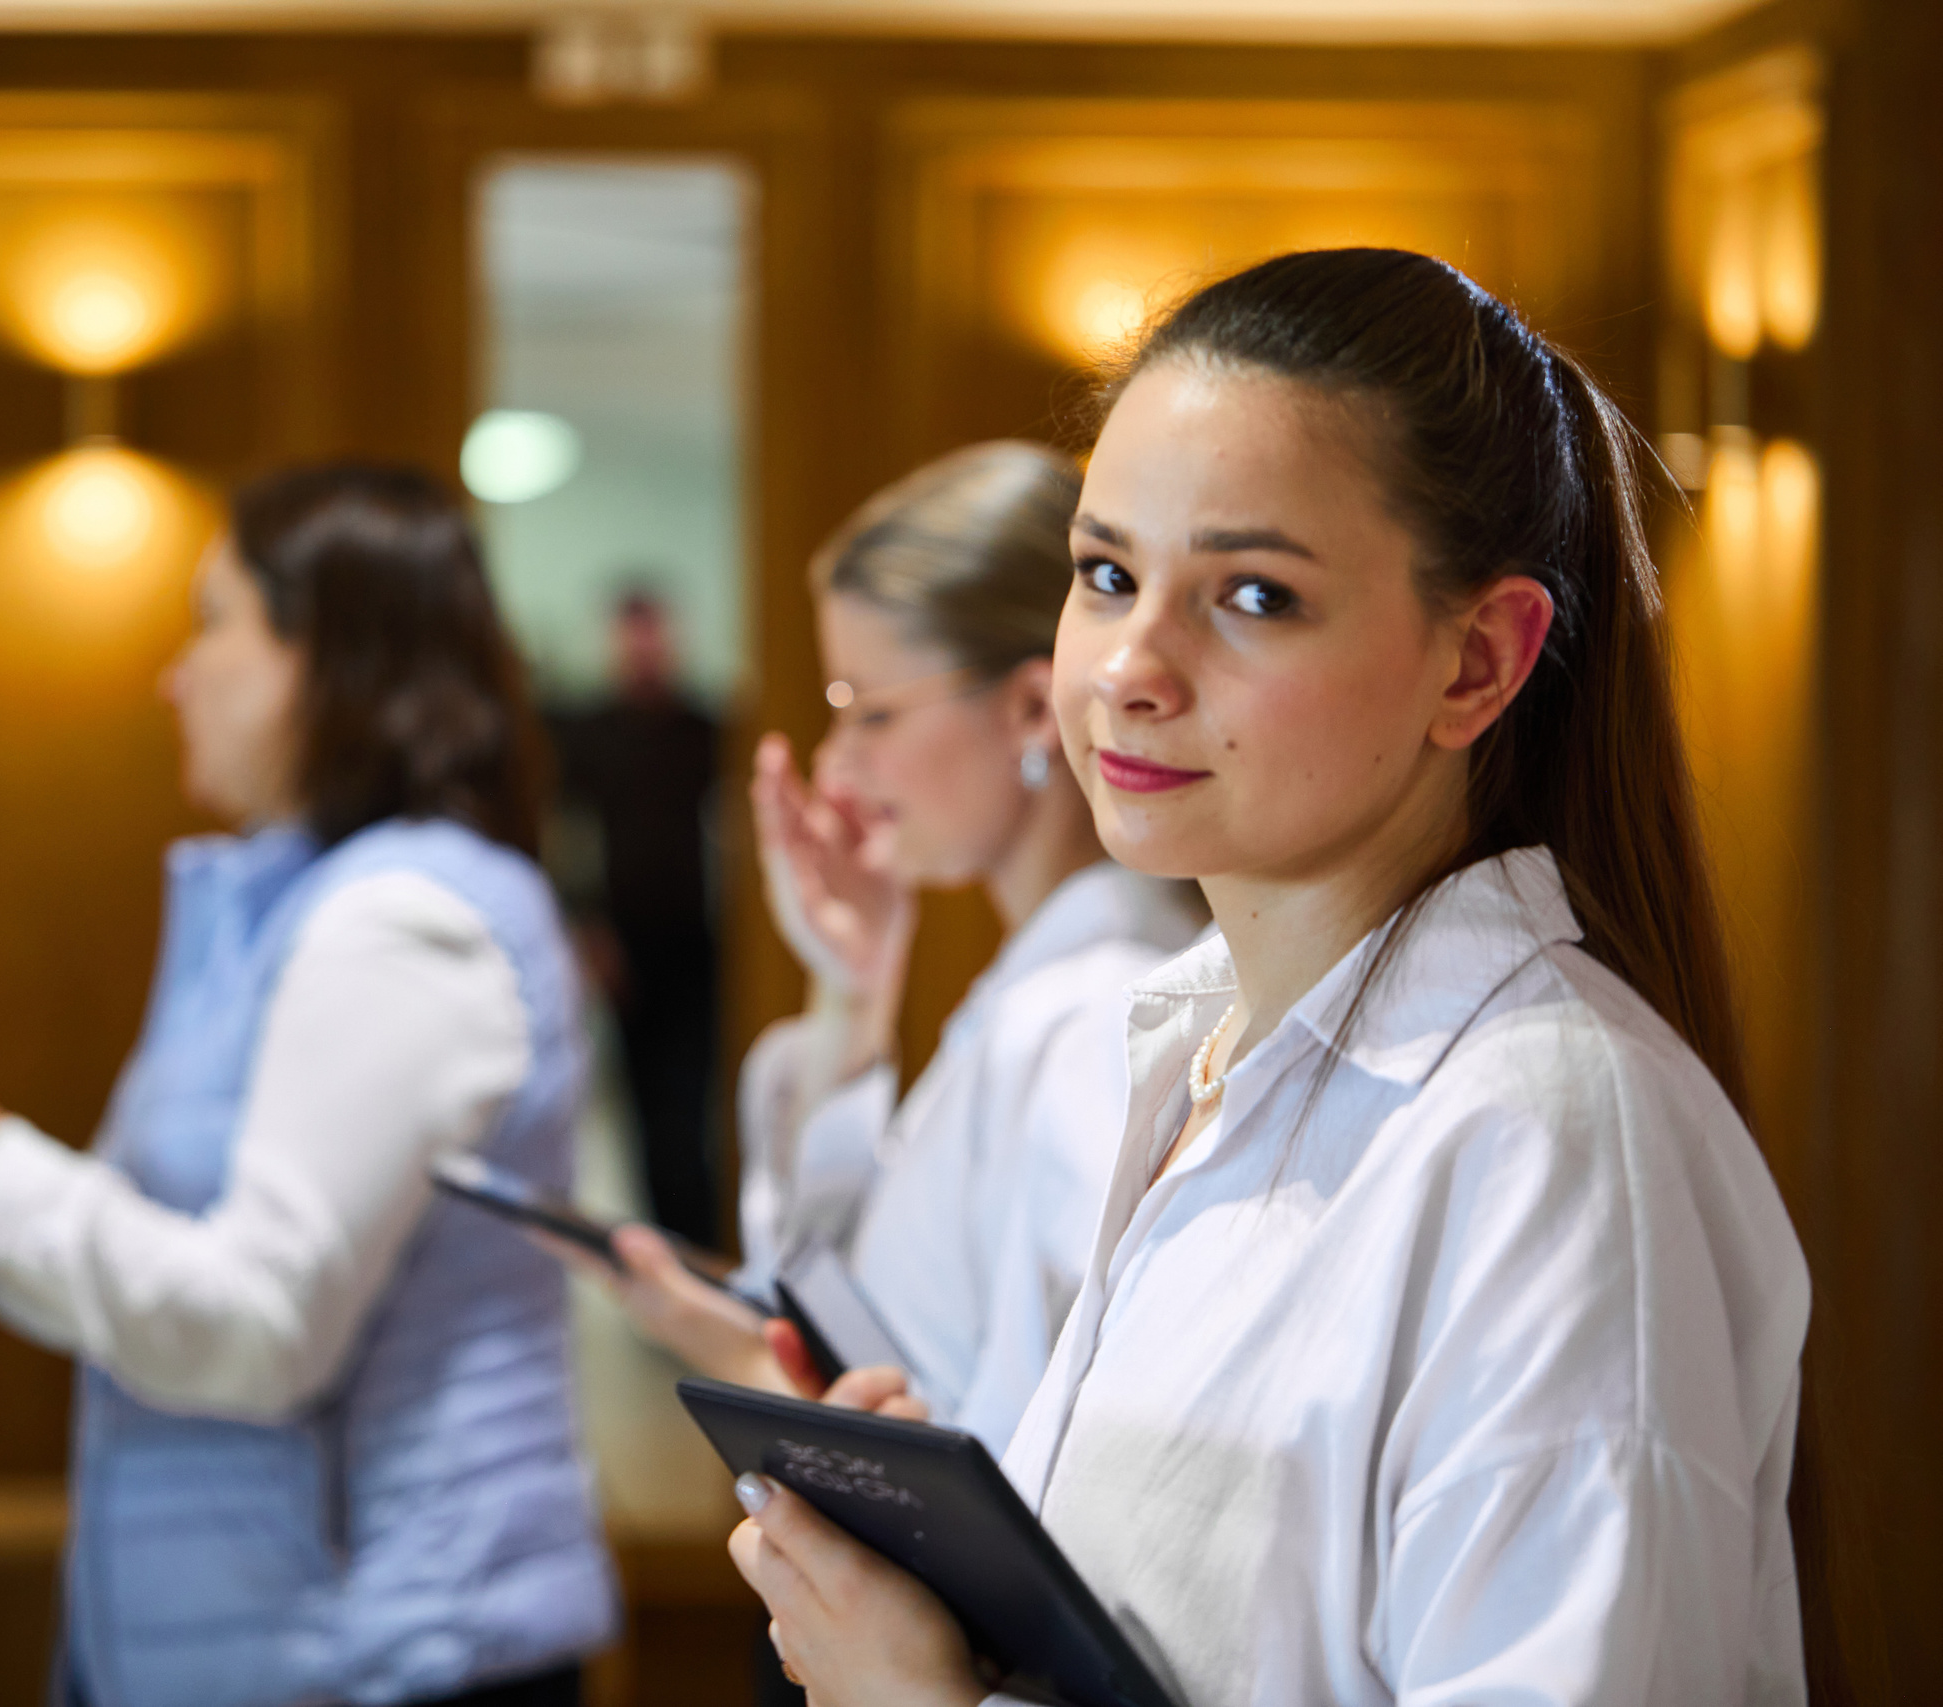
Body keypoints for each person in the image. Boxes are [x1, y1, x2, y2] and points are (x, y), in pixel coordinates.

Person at [723, 249, 1814, 1707]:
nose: (1130, 665)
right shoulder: (1194, 1046)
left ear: (1477, 662)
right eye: (1107, 574)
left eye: (1252, 593)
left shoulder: (1545, 1137)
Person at [0, 464, 617, 1707]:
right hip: (249, 1644)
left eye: (212, 621)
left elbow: (253, 1330)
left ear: (327, 657)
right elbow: (126, 1256)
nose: (173, 673)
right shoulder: (280, 911)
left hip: (379, 1660)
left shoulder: (405, 924)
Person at [574, 441, 1206, 1454]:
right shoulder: (1047, 985)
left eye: (869, 710)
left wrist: (750, 1367)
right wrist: (852, 986)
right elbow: (868, 1310)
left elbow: (1033, 1458)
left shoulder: (1095, 1012)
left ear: (1026, 709)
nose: (836, 763)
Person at [548, 589, 725, 1248]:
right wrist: (587, 931)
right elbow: (569, 839)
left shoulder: (706, 727)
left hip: (698, 943)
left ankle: (704, 1239)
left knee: (695, 1107)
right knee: (647, 1110)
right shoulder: (589, 732)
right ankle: (670, 1245)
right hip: (625, 945)